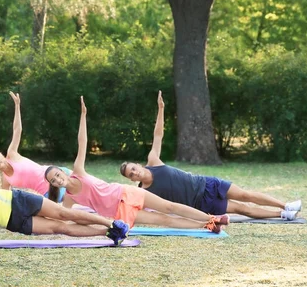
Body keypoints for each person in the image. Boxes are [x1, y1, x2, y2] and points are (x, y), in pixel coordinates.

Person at [0, 97, 131, 249]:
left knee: (64, 214)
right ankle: (108, 233)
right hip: (13, 221)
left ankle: (111, 223)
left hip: (20, 199)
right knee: (59, 228)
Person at [45, 97, 227, 233]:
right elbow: (62, 215)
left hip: (126, 192)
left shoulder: (78, 172)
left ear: (63, 172)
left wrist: (83, 116)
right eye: (54, 181)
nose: (58, 180)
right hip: (119, 210)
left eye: (58, 175)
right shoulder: (69, 199)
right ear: (54, 185)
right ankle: (208, 225)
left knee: (169, 207)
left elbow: (82, 142)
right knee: (163, 220)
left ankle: (213, 218)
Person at [119, 91, 302, 221]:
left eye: (133, 169)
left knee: (245, 194)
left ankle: (285, 205)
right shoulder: (144, 191)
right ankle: (282, 215)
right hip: (200, 203)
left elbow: (158, 135)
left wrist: (161, 109)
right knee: (241, 209)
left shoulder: (153, 161)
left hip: (207, 183)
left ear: (138, 164)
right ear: (131, 179)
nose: (135, 173)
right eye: (131, 175)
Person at [0, 92, 71, 201]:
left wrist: (17, 106)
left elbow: (17, 130)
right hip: (48, 193)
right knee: (68, 203)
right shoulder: (6, 179)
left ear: (1, 155)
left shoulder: (12, 154)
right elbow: (5, 198)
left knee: (85, 185)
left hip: (56, 173)